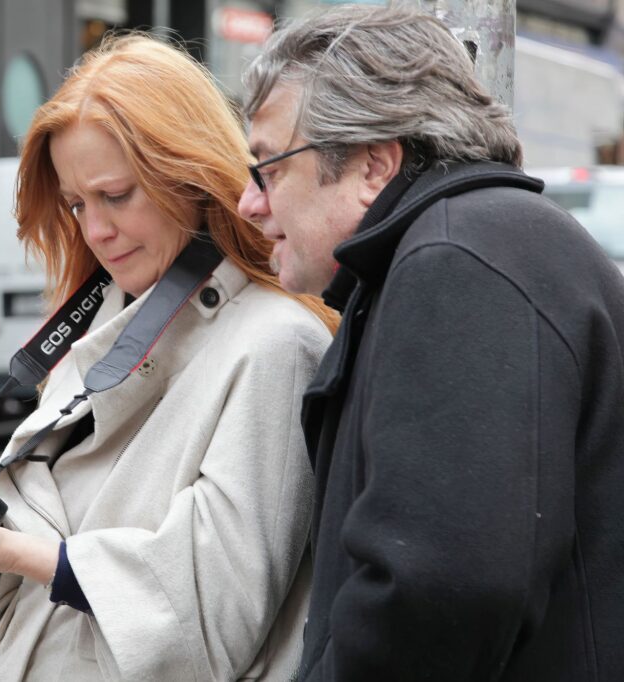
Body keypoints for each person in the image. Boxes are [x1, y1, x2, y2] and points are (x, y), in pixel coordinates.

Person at [0, 35, 337, 681]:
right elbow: (42, 603)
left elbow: (218, 617)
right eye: (76, 204)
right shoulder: (100, 330)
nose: (95, 231)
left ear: (193, 178)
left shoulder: (275, 344)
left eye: (116, 195)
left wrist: (25, 554)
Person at [237, 6, 624, 682]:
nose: (249, 203)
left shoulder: (459, 261)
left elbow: (441, 588)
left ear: (374, 166)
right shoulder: (471, 246)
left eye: (268, 167)